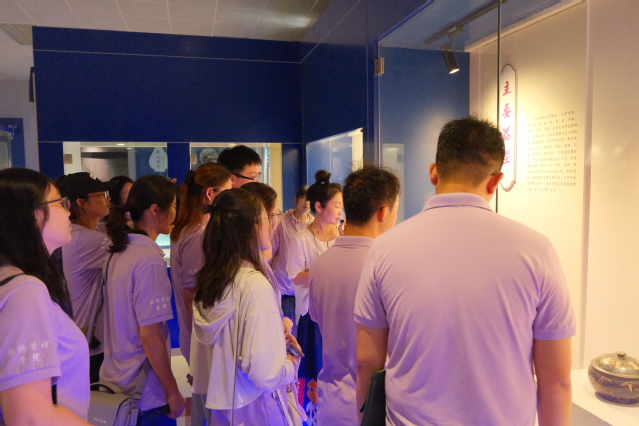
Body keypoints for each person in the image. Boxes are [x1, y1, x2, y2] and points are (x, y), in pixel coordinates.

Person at [355, 116, 575, 426]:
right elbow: (557, 382)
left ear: (434, 172)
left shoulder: (384, 249)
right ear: (495, 182)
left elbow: (366, 361)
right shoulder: (538, 250)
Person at [190, 189, 301, 425]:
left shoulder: (211, 280)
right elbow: (264, 373)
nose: (273, 224)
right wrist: (290, 365)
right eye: (268, 217)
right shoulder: (254, 284)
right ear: (251, 227)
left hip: (224, 409)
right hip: (256, 407)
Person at [309, 165, 400, 426]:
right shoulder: (388, 265)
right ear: (383, 212)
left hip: (331, 404)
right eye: (396, 210)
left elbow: (320, 321)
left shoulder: (320, 265)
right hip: (375, 406)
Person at [0, 168, 91, 425]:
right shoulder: (25, 290)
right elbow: (30, 416)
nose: (69, 211)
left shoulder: (11, 280)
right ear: (34, 214)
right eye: (61, 203)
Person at [102, 174, 186, 425]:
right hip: (144, 393)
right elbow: (150, 335)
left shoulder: (118, 251)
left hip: (116, 381)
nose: (176, 214)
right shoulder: (148, 260)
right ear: (155, 210)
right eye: (173, 207)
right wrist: (172, 390)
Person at [169, 163, 231, 426]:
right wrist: (198, 355)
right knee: (210, 412)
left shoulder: (190, 230)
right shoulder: (197, 235)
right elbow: (191, 297)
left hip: (198, 340)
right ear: (209, 194)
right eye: (226, 192)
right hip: (200, 340)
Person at [287, 170, 343, 425]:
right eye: (337, 205)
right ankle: (312, 418)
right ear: (319, 207)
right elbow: (294, 276)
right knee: (314, 367)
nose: (340, 211)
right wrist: (324, 272)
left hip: (339, 312)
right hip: (311, 315)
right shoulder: (301, 239)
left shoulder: (343, 237)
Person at [57, 172, 116, 384]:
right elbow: (130, 249)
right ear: (81, 202)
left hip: (89, 338)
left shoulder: (91, 230)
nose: (108, 199)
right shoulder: (85, 239)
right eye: (101, 194)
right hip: (91, 343)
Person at [271, 186, 313, 322]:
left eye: (310, 199)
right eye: (304, 197)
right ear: (296, 199)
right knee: (284, 329)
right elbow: (272, 249)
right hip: (283, 286)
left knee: (301, 331)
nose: (307, 202)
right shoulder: (282, 221)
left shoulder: (315, 225)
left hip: (304, 290)